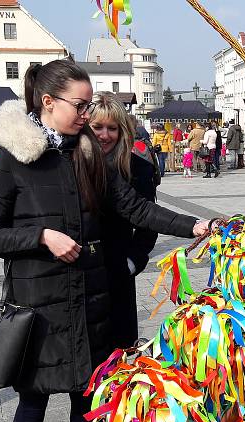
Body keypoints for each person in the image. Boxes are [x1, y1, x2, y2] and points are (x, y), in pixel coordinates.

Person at [0, 60, 209, 422]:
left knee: (88, 401)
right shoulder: (8, 159)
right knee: (33, 400)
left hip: (90, 301)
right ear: (48, 102)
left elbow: (136, 208)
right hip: (38, 306)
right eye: (80, 106)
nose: (86, 116)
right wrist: (43, 236)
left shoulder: (88, 155)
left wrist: (197, 226)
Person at [88, 91, 159, 350]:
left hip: (116, 272)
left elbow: (148, 220)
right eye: (97, 127)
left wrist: (132, 261)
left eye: (112, 128)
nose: (104, 135)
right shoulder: (70, 163)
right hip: (80, 273)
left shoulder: (136, 167)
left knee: (115, 355)